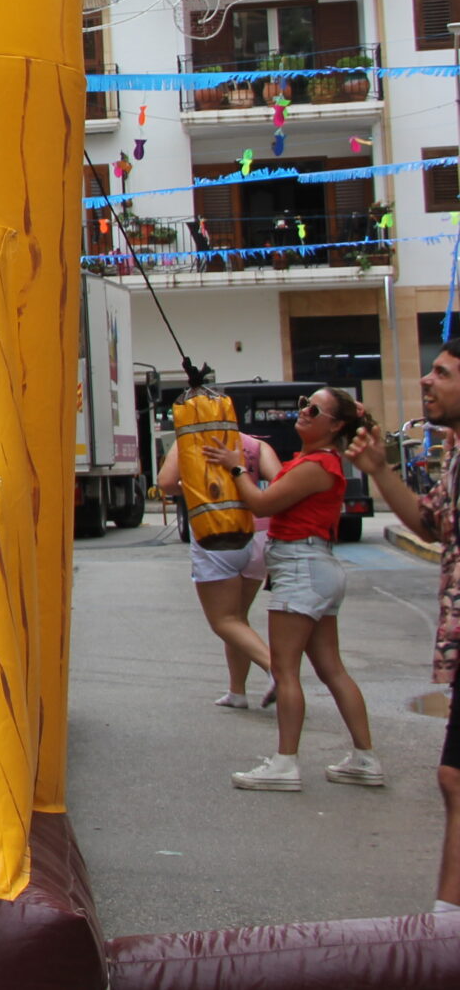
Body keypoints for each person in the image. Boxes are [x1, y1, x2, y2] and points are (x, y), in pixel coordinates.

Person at [210, 387, 381, 792]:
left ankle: (285, 764)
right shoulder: (314, 460)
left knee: (286, 671)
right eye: (304, 403)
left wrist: (237, 468)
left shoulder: (318, 464)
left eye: (314, 409)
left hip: (301, 565)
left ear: (335, 425)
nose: (304, 411)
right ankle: (365, 757)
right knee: (331, 668)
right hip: (313, 565)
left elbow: (261, 505)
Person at [344, 340, 460, 913]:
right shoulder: (457, 454)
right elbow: (430, 523)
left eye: (442, 372)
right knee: (453, 779)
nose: (426, 381)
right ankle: (448, 923)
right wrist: (379, 471)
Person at [157, 429, 283, 709]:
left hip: (216, 531)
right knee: (237, 618)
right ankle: (237, 692)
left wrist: (191, 486)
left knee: (223, 621)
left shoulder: (189, 440)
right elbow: (279, 482)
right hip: (259, 534)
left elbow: (165, 482)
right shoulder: (255, 444)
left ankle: (276, 669)